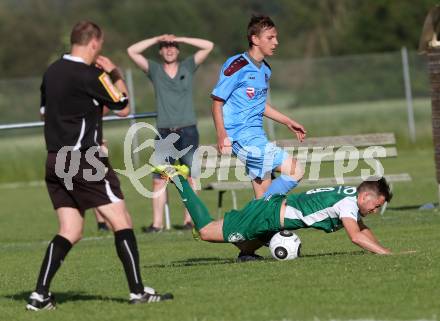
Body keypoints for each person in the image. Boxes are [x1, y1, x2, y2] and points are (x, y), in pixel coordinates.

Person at [26, 21, 173, 311]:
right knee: (123, 221)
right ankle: (138, 292)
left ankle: (39, 296)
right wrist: (115, 73)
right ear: (94, 43)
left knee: (71, 229)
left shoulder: (52, 72)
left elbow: (47, 113)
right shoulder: (91, 74)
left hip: (55, 159)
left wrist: (88, 110)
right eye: (100, 46)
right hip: (84, 158)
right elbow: (124, 107)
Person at [155, 165, 392, 262]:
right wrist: (386, 254)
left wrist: (385, 249)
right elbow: (356, 236)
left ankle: (245, 254)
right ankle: (177, 176)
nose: (375, 210)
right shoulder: (349, 205)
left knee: (246, 246)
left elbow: (362, 229)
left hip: (273, 215)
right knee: (206, 231)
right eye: (376, 205)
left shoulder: (352, 193)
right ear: (365, 196)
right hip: (267, 215)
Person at [211, 15, 306, 201]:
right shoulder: (236, 65)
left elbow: (259, 105)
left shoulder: (265, 69)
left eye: (276, 37)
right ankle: (254, 214)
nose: (276, 42)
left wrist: (288, 121)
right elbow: (217, 101)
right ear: (255, 39)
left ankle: (256, 220)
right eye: (270, 38)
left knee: (264, 194)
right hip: (242, 137)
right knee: (295, 170)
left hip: (257, 136)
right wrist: (222, 134)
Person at [127, 34, 214, 233]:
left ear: (178, 49)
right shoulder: (155, 70)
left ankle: (191, 220)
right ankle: (157, 224)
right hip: (165, 132)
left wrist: (181, 39)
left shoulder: (187, 66)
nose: (169, 49)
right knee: (159, 177)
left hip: (188, 130)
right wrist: (157, 38)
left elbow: (208, 44)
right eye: (165, 46)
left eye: (173, 46)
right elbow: (132, 51)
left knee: (192, 177)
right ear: (160, 50)